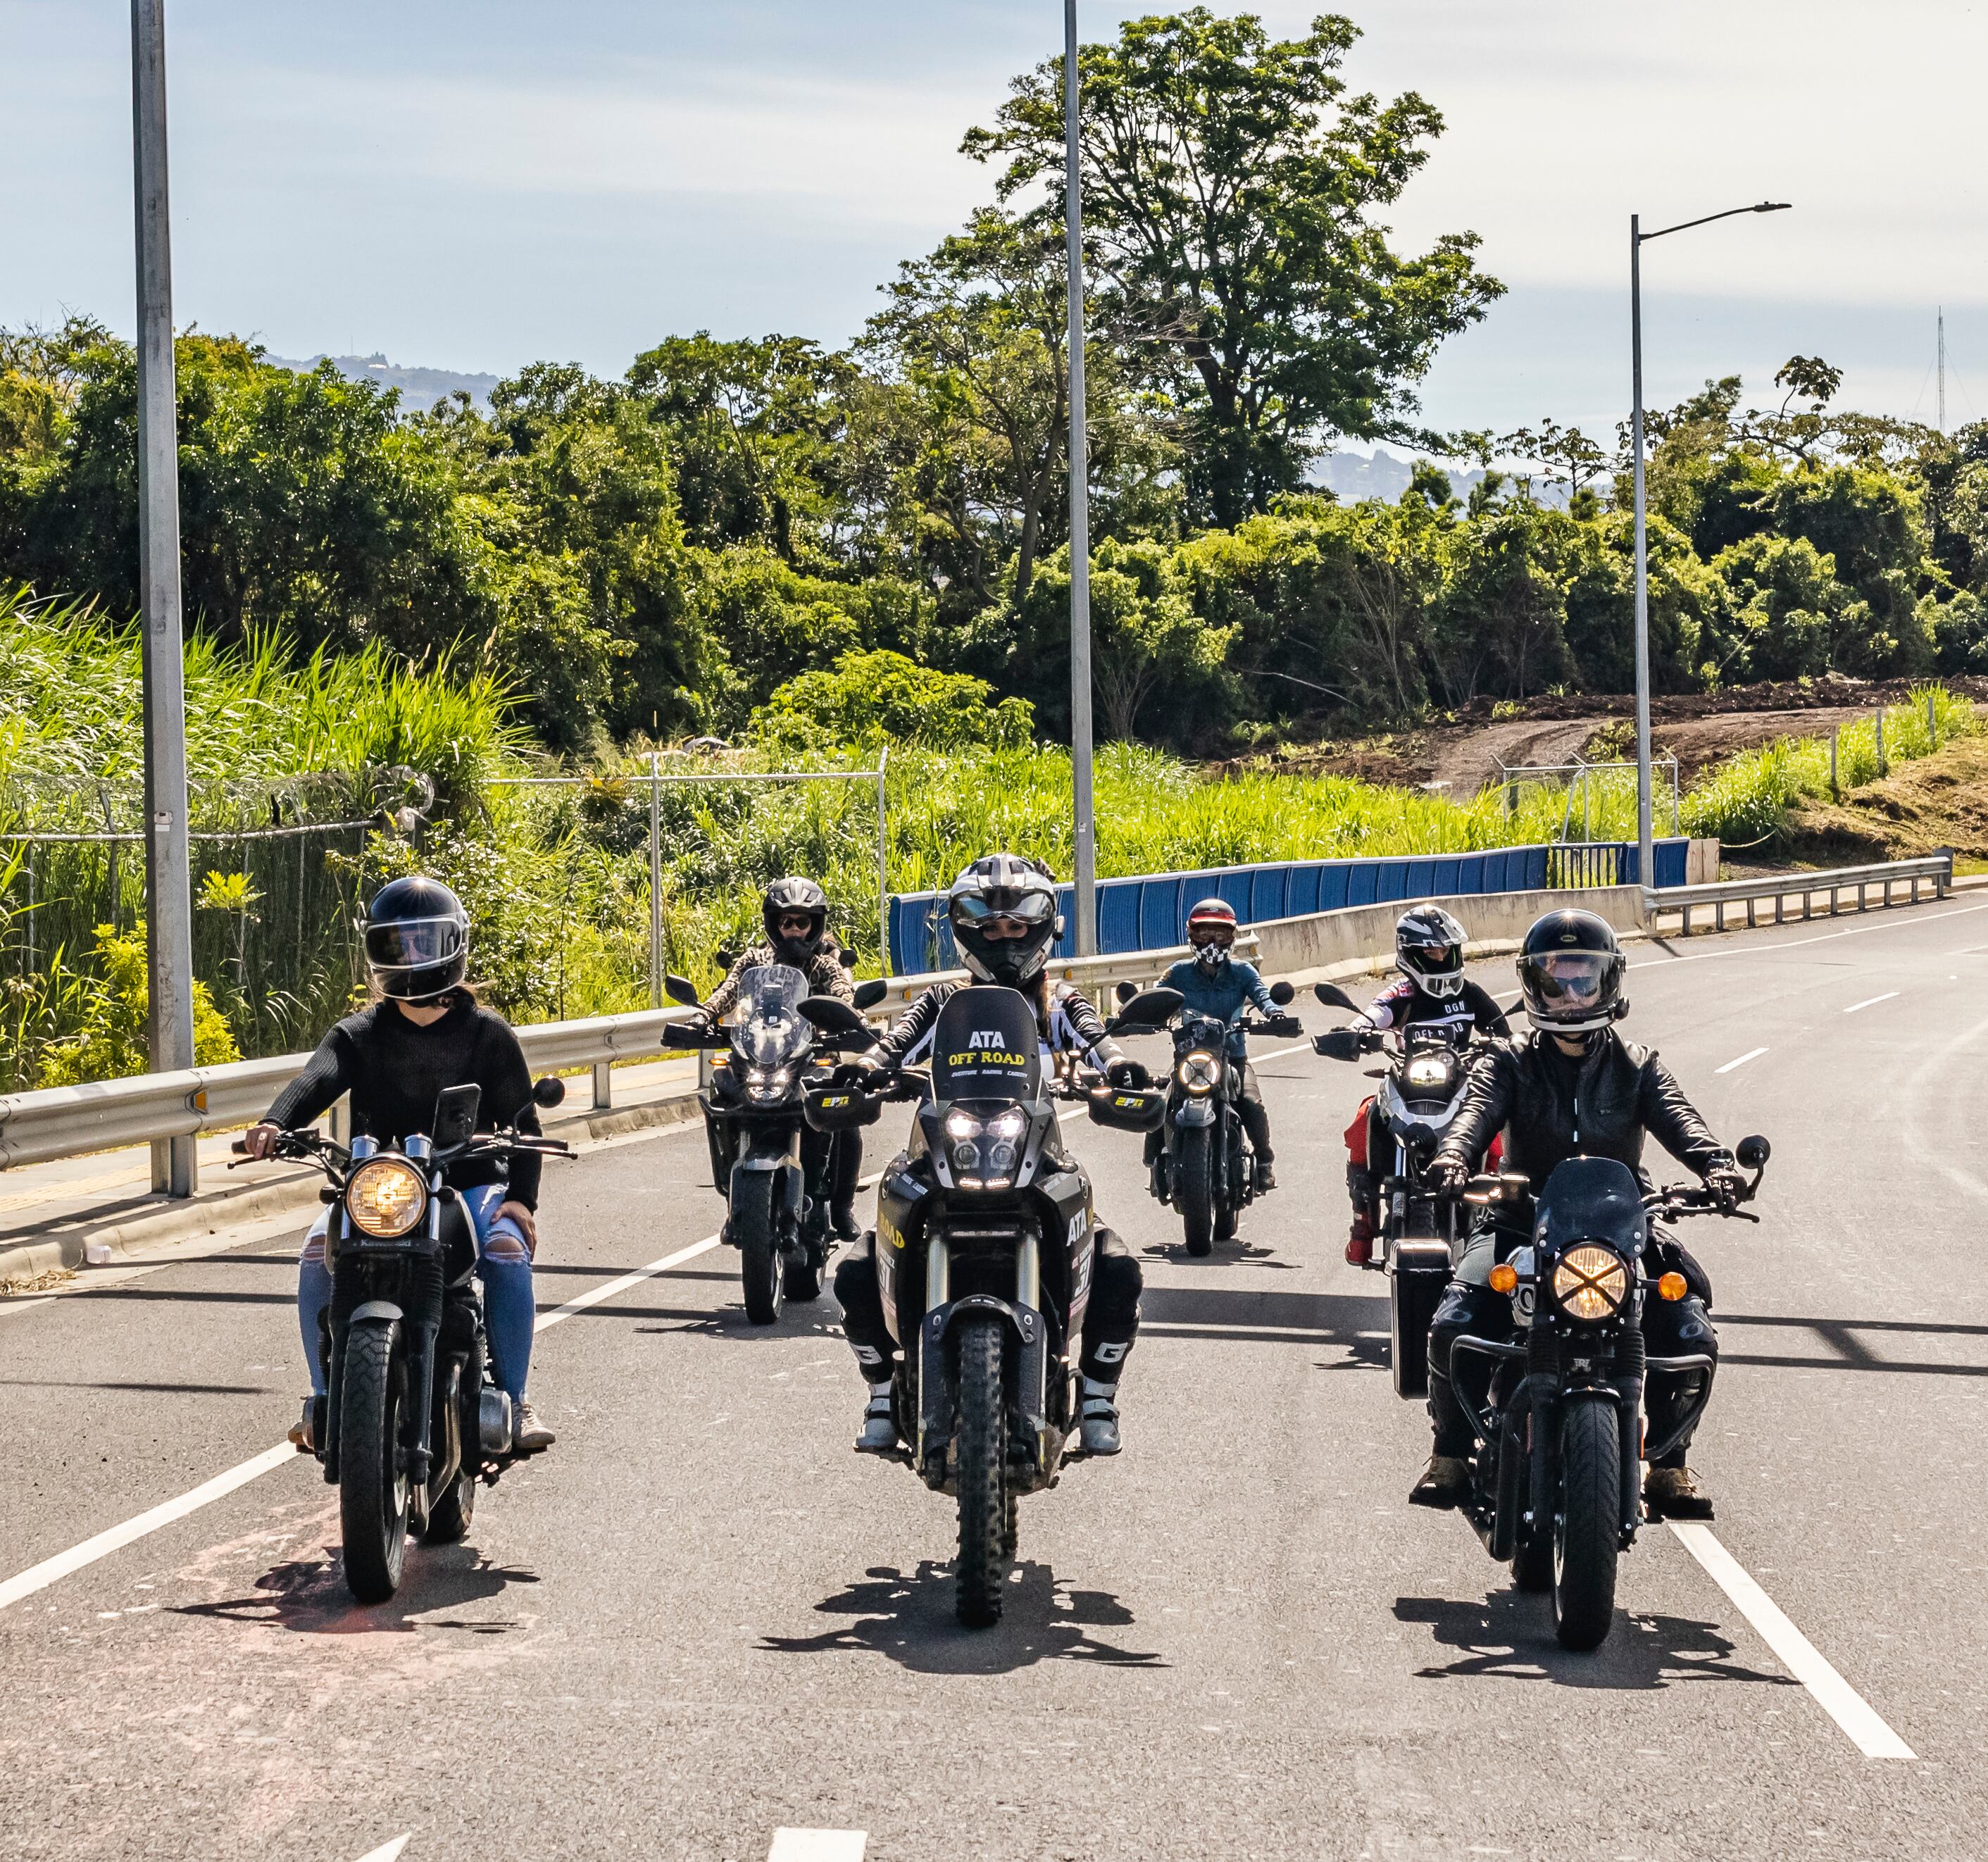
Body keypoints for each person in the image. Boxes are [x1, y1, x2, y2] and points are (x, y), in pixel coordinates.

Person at [1410, 908, 1747, 1520]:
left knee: (1689, 1322)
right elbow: (1473, 1114)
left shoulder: (1637, 1064)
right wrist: (1454, 1157)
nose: (1569, 994)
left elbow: (1681, 1120)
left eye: (1582, 979)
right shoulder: (1508, 1059)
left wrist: (1718, 1167)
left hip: (1620, 1227)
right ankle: (1449, 1454)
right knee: (1453, 1320)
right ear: (1532, 985)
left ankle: (1669, 1465)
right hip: (1518, 1220)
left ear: (1608, 982)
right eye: (1554, 979)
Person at [832, 854, 1149, 1456]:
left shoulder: (1060, 1003)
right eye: (990, 928)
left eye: (1016, 926)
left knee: (1117, 1267)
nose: (1004, 939)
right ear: (966, 932)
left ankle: (1098, 1396)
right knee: (854, 1270)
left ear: (1041, 929)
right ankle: (881, 1392)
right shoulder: (940, 1002)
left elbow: (1098, 1043)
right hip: (940, 1154)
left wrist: (1120, 1068)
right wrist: (865, 1069)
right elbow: (894, 1045)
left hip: (1034, 1158)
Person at [242, 875, 554, 1454]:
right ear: (377, 950)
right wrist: (274, 1121)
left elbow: (524, 1126)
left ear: (453, 944)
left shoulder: (488, 1034)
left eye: (423, 942)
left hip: (471, 1182)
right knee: (316, 1253)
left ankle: (515, 1401)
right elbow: (317, 1078)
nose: (411, 957)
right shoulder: (360, 1032)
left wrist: (521, 1199)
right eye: (398, 944)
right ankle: (323, 1400)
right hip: (382, 1184)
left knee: (507, 1252)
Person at [1330, 905, 1511, 1266]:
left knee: (1495, 1129)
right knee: (1365, 1117)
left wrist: (1506, 1045)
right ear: (1410, 954)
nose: (1440, 957)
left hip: (1461, 1083)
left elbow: (1503, 1031)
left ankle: (1495, 1216)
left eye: (1445, 950)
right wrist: (1355, 1033)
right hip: (1408, 1082)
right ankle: (1362, 1223)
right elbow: (1374, 1014)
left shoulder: (1470, 994)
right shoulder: (1402, 994)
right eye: (1431, 951)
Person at [695, 876, 864, 1239]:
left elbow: (842, 993)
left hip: (813, 1058)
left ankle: (841, 1208)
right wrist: (703, 1015)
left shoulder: (824, 965)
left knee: (845, 1117)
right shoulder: (754, 960)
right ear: (774, 924)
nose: (794, 930)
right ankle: (736, 1202)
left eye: (802, 922)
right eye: (786, 921)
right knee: (722, 1093)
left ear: (815, 925)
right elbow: (729, 990)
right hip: (757, 1057)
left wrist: (854, 1017)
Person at [1153, 896, 1284, 1192]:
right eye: (1204, 933)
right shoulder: (1178, 972)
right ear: (1191, 935)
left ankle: (1264, 1162)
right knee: (1161, 1101)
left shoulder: (1243, 972)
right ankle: (1155, 1160)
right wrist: (1135, 1014)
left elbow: (1263, 996)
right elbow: (1156, 997)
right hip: (1189, 1058)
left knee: (1251, 1103)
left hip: (1232, 1057)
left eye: (1220, 934)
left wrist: (1275, 1013)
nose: (1212, 941)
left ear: (1232, 937)